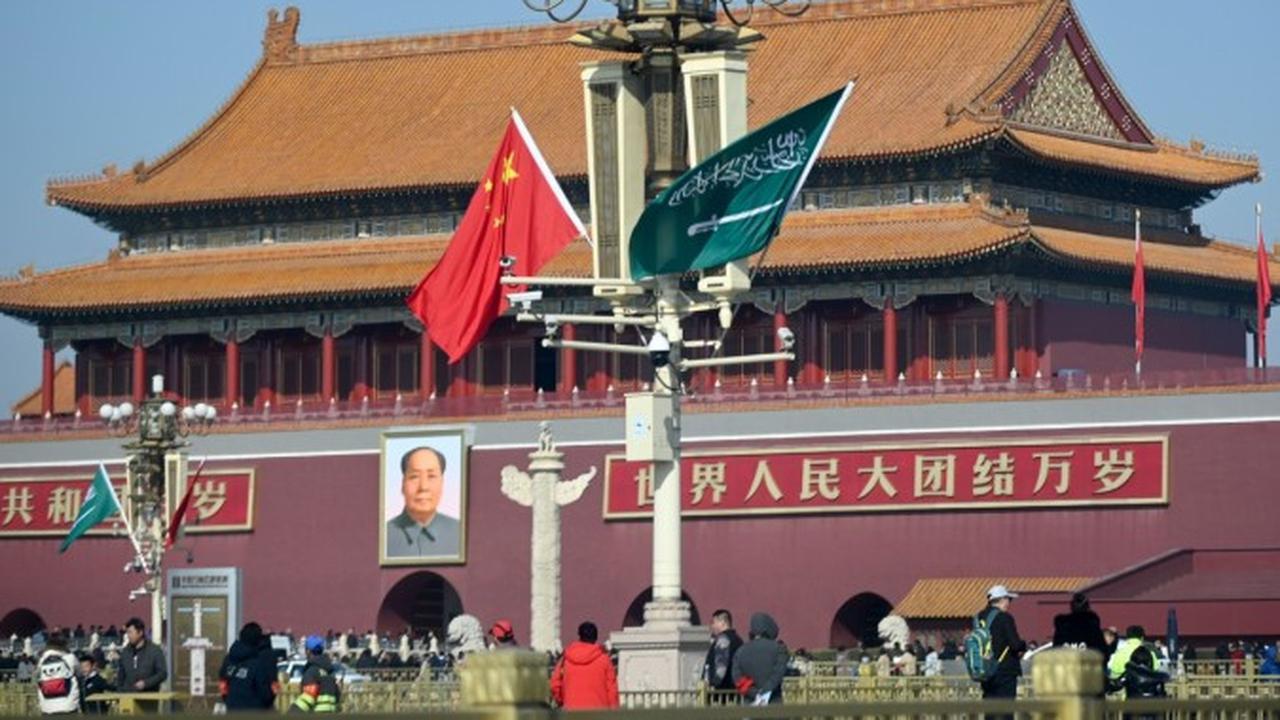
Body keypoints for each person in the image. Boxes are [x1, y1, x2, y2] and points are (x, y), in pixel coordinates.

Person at [385, 447, 461, 558]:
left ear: (442, 483)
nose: (423, 487)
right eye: (414, 477)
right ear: (402, 485)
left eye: (431, 476)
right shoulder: (382, 536)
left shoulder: (462, 533)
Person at [550, 622, 618, 709]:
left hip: (572, 713)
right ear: (596, 637)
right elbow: (612, 690)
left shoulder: (565, 659)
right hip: (599, 713)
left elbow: (555, 684)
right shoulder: (605, 660)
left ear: (580, 636)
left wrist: (562, 700)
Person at [976, 585, 1025, 701]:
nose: (1009, 603)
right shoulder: (1004, 618)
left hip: (985, 670)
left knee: (990, 708)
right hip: (1004, 671)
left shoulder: (978, 618)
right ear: (1002, 600)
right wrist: (1023, 645)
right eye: (1009, 599)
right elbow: (1015, 645)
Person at [219, 622, 279, 712]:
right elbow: (265, 692)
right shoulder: (258, 662)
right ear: (257, 640)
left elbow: (223, 684)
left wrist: (228, 700)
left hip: (232, 709)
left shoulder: (229, 659)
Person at [731, 612, 788, 705]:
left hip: (750, 703)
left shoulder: (740, 651)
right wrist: (765, 691)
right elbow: (778, 674)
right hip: (773, 702)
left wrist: (754, 693)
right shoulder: (779, 649)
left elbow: (737, 678)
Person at [291, 636, 341, 713]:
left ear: (308, 651)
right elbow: (337, 696)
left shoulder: (312, 672)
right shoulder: (329, 672)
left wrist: (292, 713)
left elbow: (307, 699)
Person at [35, 632, 80, 716]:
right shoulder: (70, 657)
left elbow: (37, 675)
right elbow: (79, 673)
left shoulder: (42, 660)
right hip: (68, 705)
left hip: (47, 707)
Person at [117, 618, 167, 692]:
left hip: (148, 697)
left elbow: (162, 674)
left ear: (140, 632)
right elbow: (121, 676)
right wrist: (119, 691)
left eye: (131, 632)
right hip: (127, 697)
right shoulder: (125, 652)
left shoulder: (154, 651)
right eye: (127, 633)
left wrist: (146, 683)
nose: (128, 636)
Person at [702, 609, 743, 692]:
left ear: (722, 622)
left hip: (722, 692)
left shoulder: (723, 639)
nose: (712, 626)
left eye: (714, 622)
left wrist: (713, 684)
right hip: (735, 690)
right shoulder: (738, 640)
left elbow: (721, 667)